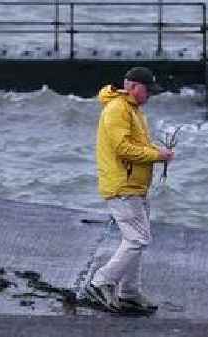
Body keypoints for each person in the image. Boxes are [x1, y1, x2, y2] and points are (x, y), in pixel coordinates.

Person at [85, 66, 175, 313]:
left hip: (134, 186)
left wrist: (157, 152)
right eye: (148, 91)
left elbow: (135, 145)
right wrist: (158, 155)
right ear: (133, 87)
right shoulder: (117, 110)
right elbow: (123, 149)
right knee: (138, 238)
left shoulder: (132, 110)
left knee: (134, 238)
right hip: (122, 186)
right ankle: (101, 282)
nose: (150, 96)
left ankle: (129, 293)